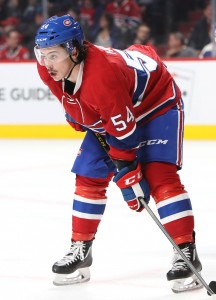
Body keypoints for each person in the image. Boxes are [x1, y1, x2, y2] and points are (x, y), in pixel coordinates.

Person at [34, 15, 203, 292]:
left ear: (74, 50)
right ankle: (81, 249)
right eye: (42, 55)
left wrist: (128, 173)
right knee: (88, 174)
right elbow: (80, 110)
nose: (47, 63)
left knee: (160, 177)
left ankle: (186, 252)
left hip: (157, 102)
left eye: (53, 55)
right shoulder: (48, 70)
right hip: (117, 107)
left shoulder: (103, 75)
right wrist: (126, 172)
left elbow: (124, 135)